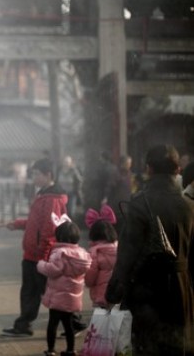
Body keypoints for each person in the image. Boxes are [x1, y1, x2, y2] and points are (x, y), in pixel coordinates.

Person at [106, 144, 194, 356]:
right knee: (178, 345)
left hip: (147, 291)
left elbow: (127, 253)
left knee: (148, 346)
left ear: (148, 169)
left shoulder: (139, 204)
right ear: (178, 170)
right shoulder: (189, 205)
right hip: (182, 290)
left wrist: (114, 291)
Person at [2, 158, 69, 337]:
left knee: (48, 292)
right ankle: (24, 324)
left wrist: (44, 255)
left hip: (40, 255)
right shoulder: (44, 195)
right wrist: (17, 224)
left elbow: (49, 229)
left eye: (37, 174)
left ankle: (73, 322)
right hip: (33, 253)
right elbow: (35, 223)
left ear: (48, 175)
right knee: (33, 291)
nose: (34, 178)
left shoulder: (52, 198)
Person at [37, 217, 91, 356]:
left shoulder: (60, 253)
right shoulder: (83, 254)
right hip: (73, 297)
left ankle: (50, 350)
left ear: (59, 236)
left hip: (58, 296)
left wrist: (41, 264)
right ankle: (70, 350)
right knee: (68, 325)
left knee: (53, 324)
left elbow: (53, 270)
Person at [83, 205, 118, 308]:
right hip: (118, 294)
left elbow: (90, 279)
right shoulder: (120, 249)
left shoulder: (95, 253)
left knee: (100, 322)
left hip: (101, 296)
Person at [56, 155, 83, 220]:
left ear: (70, 163)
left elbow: (80, 180)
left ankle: (70, 227)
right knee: (62, 212)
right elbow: (56, 181)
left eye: (68, 162)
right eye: (65, 162)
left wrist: (77, 189)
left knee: (71, 212)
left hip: (71, 194)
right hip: (61, 194)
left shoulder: (73, 171)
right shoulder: (59, 170)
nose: (66, 163)